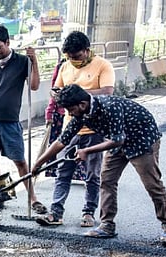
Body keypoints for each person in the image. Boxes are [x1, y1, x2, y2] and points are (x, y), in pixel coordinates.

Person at [31, 84, 166, 244]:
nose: (69, 113)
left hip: (141, 140)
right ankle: (107, 225)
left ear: (82, 104)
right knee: (107, 181)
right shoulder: (81, 114)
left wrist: (86, 151)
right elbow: (62, 141)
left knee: (152, 183)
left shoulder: (110, 107)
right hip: (117, 142)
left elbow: (117, 139)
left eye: (70, 109)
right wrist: (39, 162)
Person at [36, 31, 115, 228]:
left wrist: (77, 94)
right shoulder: (65, 66)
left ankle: (88, 212)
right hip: (71, 126)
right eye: (70, 57)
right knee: (63, 170)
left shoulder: (103, 66)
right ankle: (56, 212)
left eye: (77, 57)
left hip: (94, 130)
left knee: (92, 174)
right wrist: (58, 95)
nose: (73, 61)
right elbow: (56, 91)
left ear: (87, 51)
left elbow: (107, 92)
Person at [0, 25, 44, 220]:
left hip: (10, 122)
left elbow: (34, 86)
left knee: (20, 161)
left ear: (7, 43)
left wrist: (34, 61)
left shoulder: (22, 62)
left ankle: (32, 198)